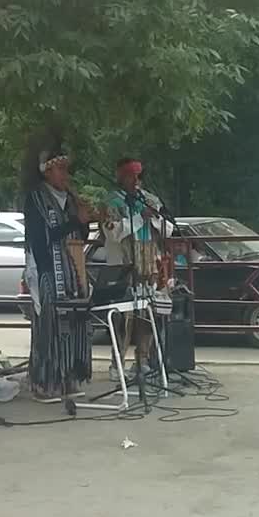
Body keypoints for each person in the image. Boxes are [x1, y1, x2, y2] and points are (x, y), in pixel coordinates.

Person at [22, 150, 93, 412]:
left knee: (75, 323)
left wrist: (84, 221)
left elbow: (80, 235)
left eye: (66, 169)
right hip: (47, 271)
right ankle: (44, 382)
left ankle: (69, 377)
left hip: (73, 269)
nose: (65, 174)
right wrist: (75, 220)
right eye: (60, 169)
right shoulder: (36, 199)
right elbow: (42, 238)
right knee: (49, 326)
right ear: (47, 172)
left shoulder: (71, 200)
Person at [100, 158, 174, 384]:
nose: (136, 180)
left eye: (139, 176)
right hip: (124, 266)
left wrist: (154, 220)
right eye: (131, 176)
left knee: (148, 318)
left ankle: (142, 362)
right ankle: (117, 365)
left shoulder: (150, 199)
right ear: (121, 177)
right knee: (124, 319)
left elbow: (168, 230)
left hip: (150, 266)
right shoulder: (111, 202)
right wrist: (139, 218)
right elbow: (113, 232)